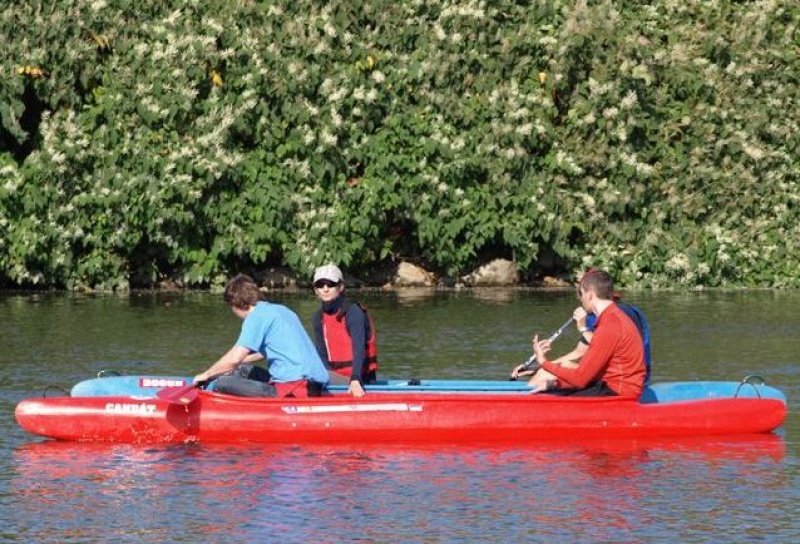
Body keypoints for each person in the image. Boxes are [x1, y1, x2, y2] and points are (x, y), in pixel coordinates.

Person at [193, 274, 330, 397]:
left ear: (234, 304)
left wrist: (207, 374)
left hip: (295, 389)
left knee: (222, 383)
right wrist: (224, 368)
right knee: (241, 369)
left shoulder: (256, 317)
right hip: (314, 384)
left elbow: (235, 358)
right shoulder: (281, 309)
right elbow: (268, 352)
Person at [527, 269, 646, 397]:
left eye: (581, 294)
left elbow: (580, 379)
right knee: (552, 387)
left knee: (555, 399)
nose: (581, 299)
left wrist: (544, 362)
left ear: (589, 295)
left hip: (620, 393)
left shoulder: (610, 325)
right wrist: (555, 384)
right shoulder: (612, 317)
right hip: (611, 385)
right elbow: (589, 375)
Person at [510, 291, 652, 383]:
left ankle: (522, 411)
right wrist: (538, 366)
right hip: (615, 375)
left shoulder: (616, 315)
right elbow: (578, 353)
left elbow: (603, 346)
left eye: (582, 293)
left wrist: (583, 328)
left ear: (592, 294)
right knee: (547, 371)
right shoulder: (602, 314)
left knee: (544, 377)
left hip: (624, 381)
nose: (580, 299)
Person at [311, 264, 379, 398]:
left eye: (330, 284)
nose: (325, 289)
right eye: (320, 285)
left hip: (360, 378)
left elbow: (359, 349)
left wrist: (355, 379)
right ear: (316, 290)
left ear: (340, 287)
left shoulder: (353, 312)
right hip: (336, 378)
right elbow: (322, 353)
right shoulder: (318, 317)